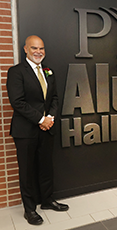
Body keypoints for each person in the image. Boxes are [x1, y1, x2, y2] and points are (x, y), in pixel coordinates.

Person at [6, 35, 69, 226]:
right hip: (25, 131)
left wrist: (50, 118)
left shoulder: (49, 71)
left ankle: (47, 200)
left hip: (46, 129)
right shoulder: (16, 72)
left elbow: (55, 98)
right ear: (25, 49)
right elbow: (17, 102)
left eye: (41, 48)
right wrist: (40, 119)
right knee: (27, 171)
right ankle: (29, 209)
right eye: (34, 48)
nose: (38, 52)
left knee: (45, 167)